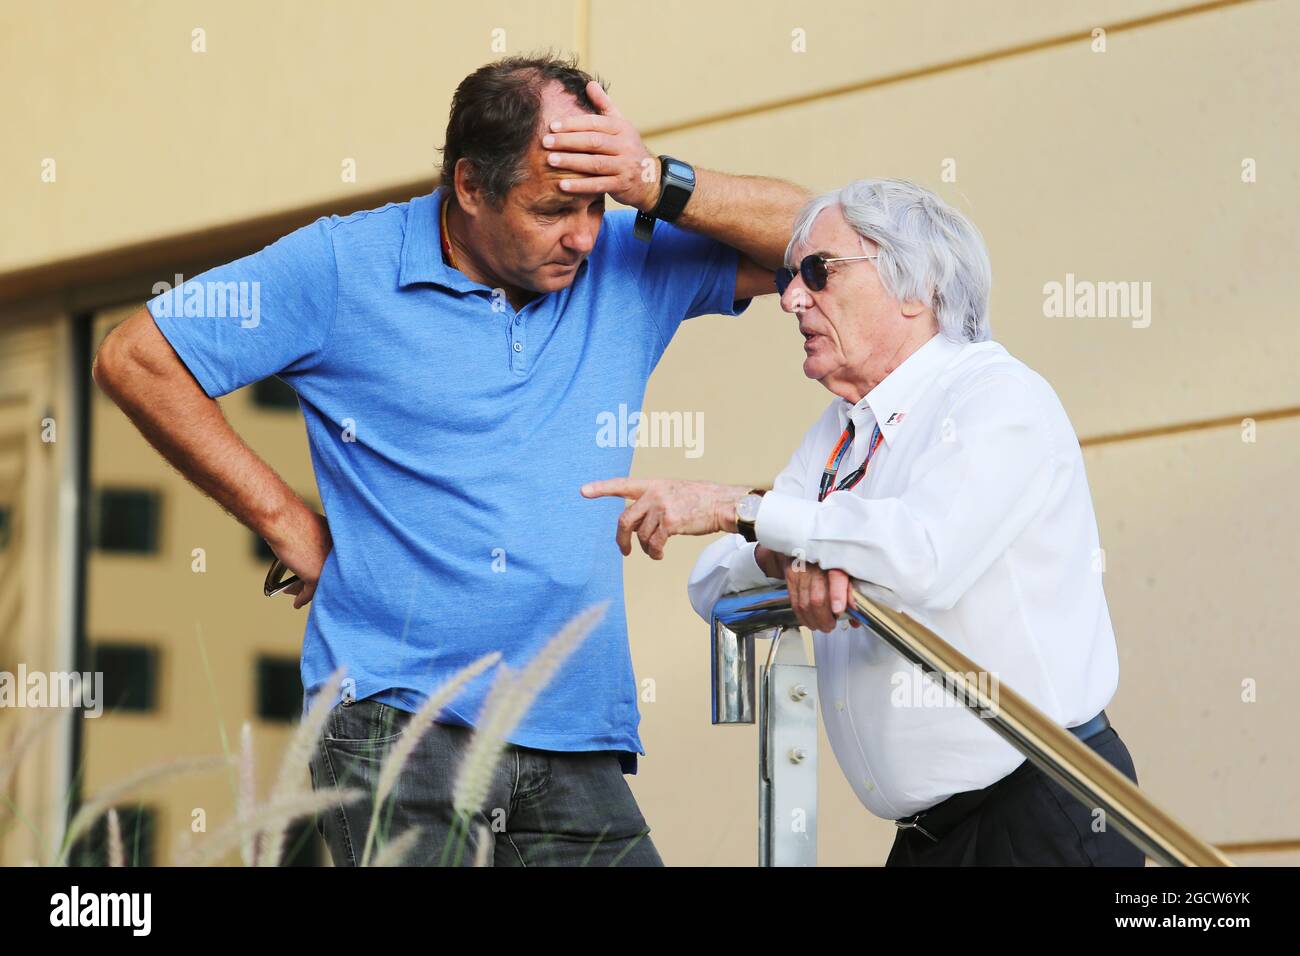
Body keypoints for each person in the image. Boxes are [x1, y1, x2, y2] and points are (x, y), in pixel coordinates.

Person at [92, 53, 809, 867]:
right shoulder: (339, 266)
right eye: (551, 208)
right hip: (399, 723)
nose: (582, 233)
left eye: (596, 202)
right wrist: (284, 521)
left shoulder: (623, 255)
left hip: (577, 724)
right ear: (469, 187)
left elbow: (823, 242)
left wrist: (653, 180)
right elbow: (138, 358)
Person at [581, 178, 1144, 866]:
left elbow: (922, 557)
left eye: (816, 271)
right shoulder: (842, 427)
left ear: (917, 288)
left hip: (1043, 808)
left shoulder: (995, 396)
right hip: (928, 838)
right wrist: (783, 554)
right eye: (792, 276)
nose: (790, 296)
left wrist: (741, 509)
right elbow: (713, 588)